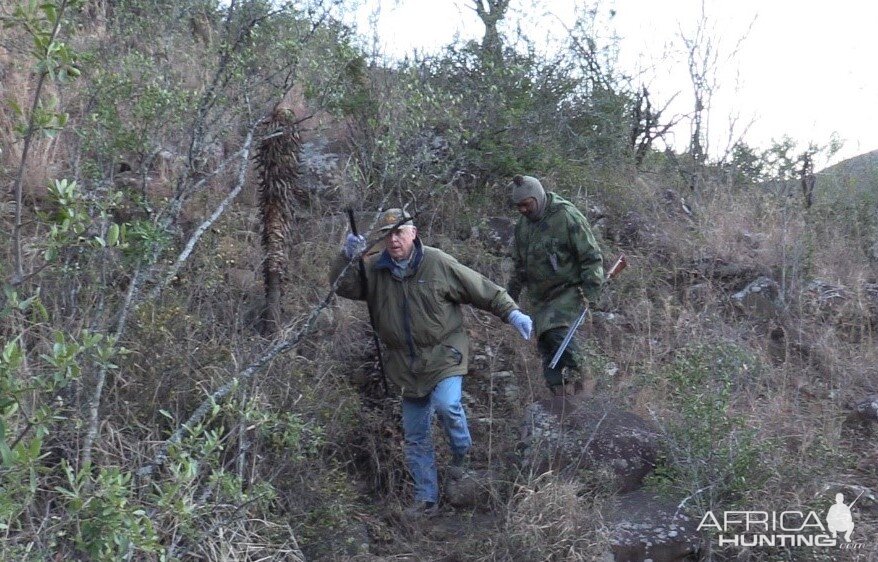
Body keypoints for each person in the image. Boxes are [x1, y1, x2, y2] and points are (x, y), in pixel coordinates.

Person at [330, 208, 533, 519]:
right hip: (404, 365)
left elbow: (480, 288)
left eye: (400, 232)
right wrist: (346, 257)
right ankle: (426, 500)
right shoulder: (372, 269)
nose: (394, 240)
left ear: (414, 233)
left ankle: (461, 455)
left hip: (444, 354)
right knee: (415, 435)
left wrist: (511, 312)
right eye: (388, 235)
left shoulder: (437, 262)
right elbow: (343, 287)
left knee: (447, 405)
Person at [507, 175, 604, 397]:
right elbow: (519, 265)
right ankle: (560, 399)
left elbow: (591, 257)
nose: (522, 210)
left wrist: (592, 292)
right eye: (518, 206)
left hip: (569, 290)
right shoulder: (523, 227)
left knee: (558, 333)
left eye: (526, 204)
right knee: (547, 349)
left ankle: (587, 380)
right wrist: (509, 297)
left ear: (538, 198)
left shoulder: (566, 215)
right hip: (541, 298)